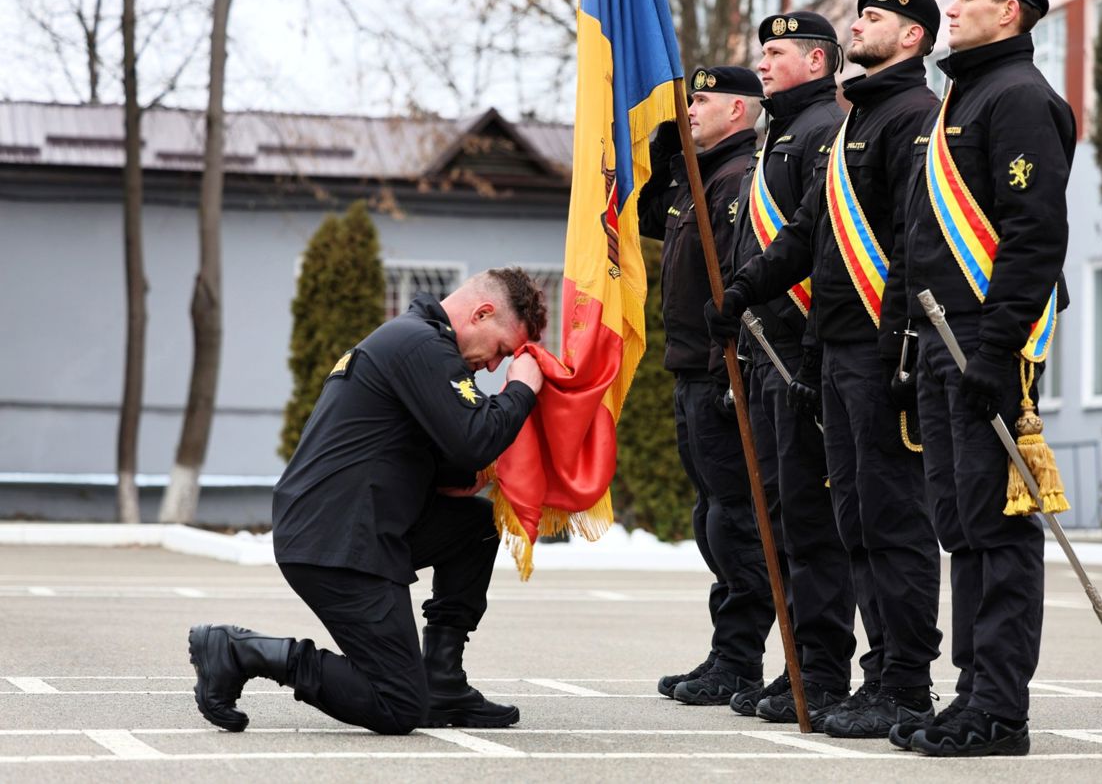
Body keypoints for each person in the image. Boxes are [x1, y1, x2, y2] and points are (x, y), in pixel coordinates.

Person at [712, 0, 945, 741]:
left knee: (890, 521)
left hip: (879, 354)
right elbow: (810, 232)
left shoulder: (911, 116)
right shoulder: (861, 120)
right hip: (839, 351)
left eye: (874, 17)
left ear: (911, 38)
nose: (858, 23)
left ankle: (905, 681)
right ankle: (879, 675)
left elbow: (915, 245)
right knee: (854, 522)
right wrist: (744, 288)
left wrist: (901, 348)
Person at [187, 268, 548, 736]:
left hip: (356, 526)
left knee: (476, 524)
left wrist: (468, 470)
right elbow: (473, 439)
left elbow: (445, 455)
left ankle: (441, 680)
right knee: (398, 706)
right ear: (482, 313)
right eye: (501, 350)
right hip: (338, 542)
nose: (496, 366)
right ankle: (241, 652)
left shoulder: (417, 342)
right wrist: (522, 388)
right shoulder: (421, 345)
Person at [900, 0, 1074, 757]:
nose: (954, 5)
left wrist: (998, 350)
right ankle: (971, 689)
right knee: (961, 523)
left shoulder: (1021, 98)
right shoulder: (962, 98)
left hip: (986, 344)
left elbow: (1035, 235)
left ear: (1011, 12)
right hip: (942, 345)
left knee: (1000, 530)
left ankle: (1001, 708)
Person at [704, 10, 883, 726]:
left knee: (814, 528)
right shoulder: (780, 131)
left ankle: (822, 669)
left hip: (807, 354)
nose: (765, 62)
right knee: (788, 524)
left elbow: (823, 247)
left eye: (777, 52)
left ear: (817, 62)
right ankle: (806, 666)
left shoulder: (819, 133)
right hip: (772, 356)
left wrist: (802, 347)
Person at [637, 66, 779, 706]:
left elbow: (747, 276)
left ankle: (741, 660)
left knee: (736, 522)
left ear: (740, 113)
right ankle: (729, 653)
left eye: (702, 100)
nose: (690, 109)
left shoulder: (739, 181)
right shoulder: (700, 178)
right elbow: (646, 225)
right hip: (689, 367)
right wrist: (665, 165)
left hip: (723, 371)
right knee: (712, 518)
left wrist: (738, 368)